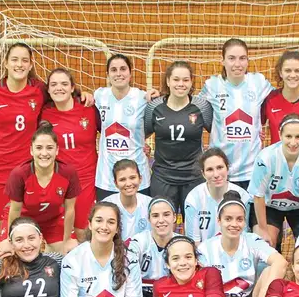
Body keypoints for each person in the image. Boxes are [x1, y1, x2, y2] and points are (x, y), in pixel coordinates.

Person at [0, 43, 47, 236]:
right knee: (1, 229)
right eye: (14, 59)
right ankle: (1, 266)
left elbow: (63, 97)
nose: (19, 64)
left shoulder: (39, 90)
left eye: (25, 60)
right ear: (5, 63)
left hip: (27, 169)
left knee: (27, 225)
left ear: (31, 65)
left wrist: (81, 94)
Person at [198, 191, 288, 297]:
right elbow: (198, 289)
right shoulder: (205, 249)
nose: (234, 224)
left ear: (245, 222)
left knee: (270, 271)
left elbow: (281, 262)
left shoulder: (251, 240)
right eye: (228, 219)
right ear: (219, 220)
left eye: (239, 219)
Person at [0, 124, 80, 256]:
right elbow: (15, 210)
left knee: (73, 254)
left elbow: (70, 210)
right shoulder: (19, 174)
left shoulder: (68, 173)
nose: (44, 153)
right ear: (31, 150)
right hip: (22, 219)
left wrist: (67, 239)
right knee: (6, 256)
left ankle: (49, 258)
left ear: (57, 150)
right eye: (39, 148)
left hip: (53, 220)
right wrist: (9, 239)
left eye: (49, 148)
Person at [200, 38, 274, 190]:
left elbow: (283, 98)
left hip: (252, 172)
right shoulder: (212, 85)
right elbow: (188, 105)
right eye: (232, 58)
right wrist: (159, 96)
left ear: (248, 60)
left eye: (242, 58)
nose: (237, 64)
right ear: (223, 61)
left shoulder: (258, 82)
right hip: (221, 172)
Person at [144, 61, 214, 215]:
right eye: (176, 80)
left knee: (195, 227)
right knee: (162, 226)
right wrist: (142, 145)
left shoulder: (202, 107)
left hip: (194, 177)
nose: (181, 84)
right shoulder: (154, 107)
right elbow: (141, 133)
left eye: (185, 80)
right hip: (163, 178)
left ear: (191, 82)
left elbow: (218, 132)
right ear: (168, 81)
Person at [40, 68, 100, 242]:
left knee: (82, 229)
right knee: (58, 232)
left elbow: (111, 131)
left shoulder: (88, 109)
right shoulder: (44, 113)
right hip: (58, 180)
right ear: (49, 90)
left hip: (86, 179)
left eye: (64, 84)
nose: (59, 88)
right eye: (54, 84)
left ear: (73, 87)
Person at [248, 113, 299, 249]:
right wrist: (263, 231)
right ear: (280, 135)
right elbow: (258, 196)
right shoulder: (265, 158)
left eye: (298, 137)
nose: (293, 143)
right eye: (288, 136)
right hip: (269, 206)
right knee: (264, 245)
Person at [94, 54, 151, 200]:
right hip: (106, 177)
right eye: (113, 70)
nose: (118, 73)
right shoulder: (99, 96)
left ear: (130, 73)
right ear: (108, 75)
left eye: (123, 69)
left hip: (137, 175)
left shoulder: (143, 98)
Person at [128, 198, 182, 297]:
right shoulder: (137, 243)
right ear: (149, 219)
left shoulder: (183, 243)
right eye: (155, 216)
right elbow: (127, 280)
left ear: (174, 217)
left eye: (166, 214)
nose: (161, 220)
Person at [184, 148, 251, 243]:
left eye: (220, 167)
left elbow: (243, 237)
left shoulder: (243, 196)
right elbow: (194, 243)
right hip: (203, 255)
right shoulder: (193, 198)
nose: (216, 174)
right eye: (210, 169)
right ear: (203, 174)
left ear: (227, 168)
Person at [103, 160, 153, 243]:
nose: (128, 183)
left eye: (132, 178)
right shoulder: (107, 205)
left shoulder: (150, 204)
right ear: (115, 183)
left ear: (140, 179)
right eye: (122, 180)